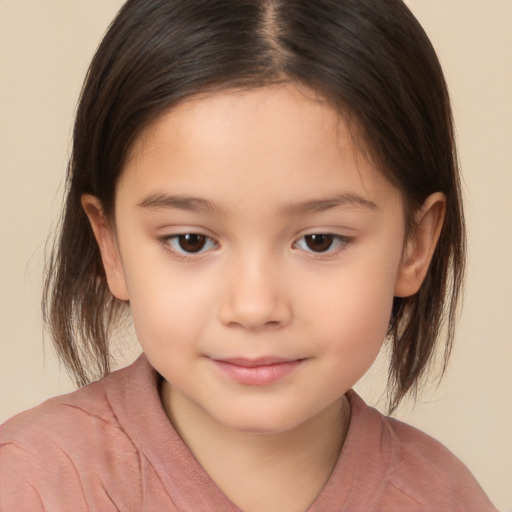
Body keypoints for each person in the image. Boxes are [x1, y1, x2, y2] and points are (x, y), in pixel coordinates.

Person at [0, 0, 498, 510]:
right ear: (112, 245)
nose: (255, 307)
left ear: (414, 245)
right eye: (191, 241)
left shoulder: (444, 496)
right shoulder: (29, 485)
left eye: (319, 240)